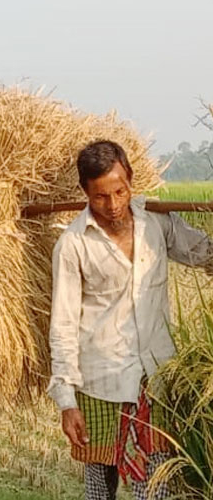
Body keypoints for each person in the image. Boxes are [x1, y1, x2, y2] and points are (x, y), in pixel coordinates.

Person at [49, 140, 213, 500]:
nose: (113, 206)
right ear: (85, 193)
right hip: (99, 383)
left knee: (154, 487)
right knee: (99, 488)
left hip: (155, 382)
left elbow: (206, 255)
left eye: (120, 191)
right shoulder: (73, 245)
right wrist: (66, 400)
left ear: (131, 180)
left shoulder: (158, 225)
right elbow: (61, 325)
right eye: (101, 197)